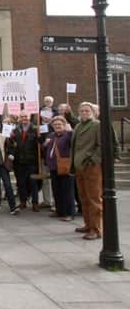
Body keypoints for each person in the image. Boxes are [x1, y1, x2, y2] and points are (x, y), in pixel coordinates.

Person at [70, 102, 102, 240]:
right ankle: (88, 224)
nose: (84, 113)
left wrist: (92, 160)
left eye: (87, 110)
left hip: (91, 167)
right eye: (82, 110)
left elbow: (101, 145)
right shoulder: (78, 126)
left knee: (94, 199)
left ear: (93, 112)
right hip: (79, 167)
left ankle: (96, 229)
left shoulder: (97, 125)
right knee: (83, 197)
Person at [43, 116, 75, 221]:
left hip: (65, 167)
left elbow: (73, 143)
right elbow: (46, 148)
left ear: (64, 125)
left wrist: (70, 132)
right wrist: (45, 144)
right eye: (55, 125)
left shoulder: (67, 135)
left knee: (67, 191)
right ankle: (59, 210)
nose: (57, 126)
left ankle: (69, 213)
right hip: (53, 167)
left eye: (59, 124)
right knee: (56, 190)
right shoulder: (52, 135)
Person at [11, 111, 40, 211]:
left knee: (33, 183)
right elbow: (12, 143)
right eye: (22, 116)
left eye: (26, 116)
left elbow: (40, 144)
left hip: (31, 161)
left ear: (29, 117)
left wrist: (40, 137)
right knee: (21, 183)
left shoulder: (36, 129)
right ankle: (23, 201)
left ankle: (35, 203)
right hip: (19, 161)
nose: (24, 118)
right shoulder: (15, 130)